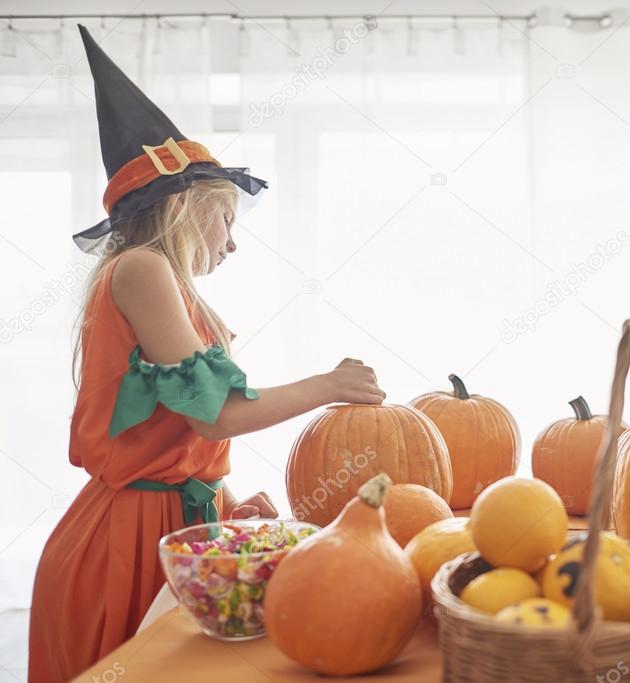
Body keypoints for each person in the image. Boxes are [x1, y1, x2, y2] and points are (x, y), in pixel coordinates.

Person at [28, 26, 386, 682]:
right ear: (183, 206)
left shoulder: (155, 279)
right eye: (226, 218)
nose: (232, 241)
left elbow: (182, 436)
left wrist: (219, 507)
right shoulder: (141, 268)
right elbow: (215, 414)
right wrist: (328, 383)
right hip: (123, 543)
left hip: (163, 523)